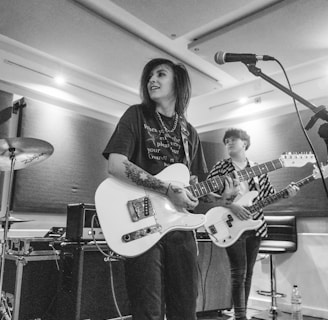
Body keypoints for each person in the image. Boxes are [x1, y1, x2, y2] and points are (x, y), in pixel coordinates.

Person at [102, 58, 208, 320]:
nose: (152, 80)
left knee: (185, 310)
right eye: (149, 75)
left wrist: (218, 195)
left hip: (179, 229)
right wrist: (166, 188)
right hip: (142, 222)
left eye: (161, 74)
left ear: (178, 83)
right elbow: (116, 164)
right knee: (147, 311)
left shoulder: (189, 133)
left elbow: (193, 184)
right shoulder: (136, 115)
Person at [206, 128, 298, 320]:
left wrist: (286, 193)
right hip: (230, 224)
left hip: (254, 225)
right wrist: (232, 206)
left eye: (233, 139)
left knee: (248, 273)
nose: (228, 143)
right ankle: (240, 316)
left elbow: (267, 196)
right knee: (238, 271)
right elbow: (207, 194)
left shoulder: (258, 168)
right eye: (226, 141)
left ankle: (243, 313)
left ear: (244, 143)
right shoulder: (221, 167)